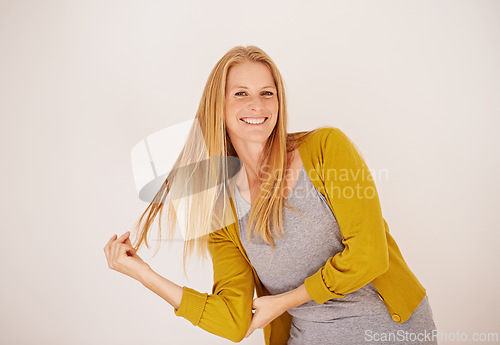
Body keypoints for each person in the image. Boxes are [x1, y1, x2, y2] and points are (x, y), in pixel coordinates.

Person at [104, 45, 437, 345]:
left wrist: (284, 301)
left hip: (389, 329)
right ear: (217, 106)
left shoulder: (325, 149)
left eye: (267, 92)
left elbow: (369, 255)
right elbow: (234, 321)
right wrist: (144, 274)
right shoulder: (222, 213)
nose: (256, 105)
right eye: (240, 93)